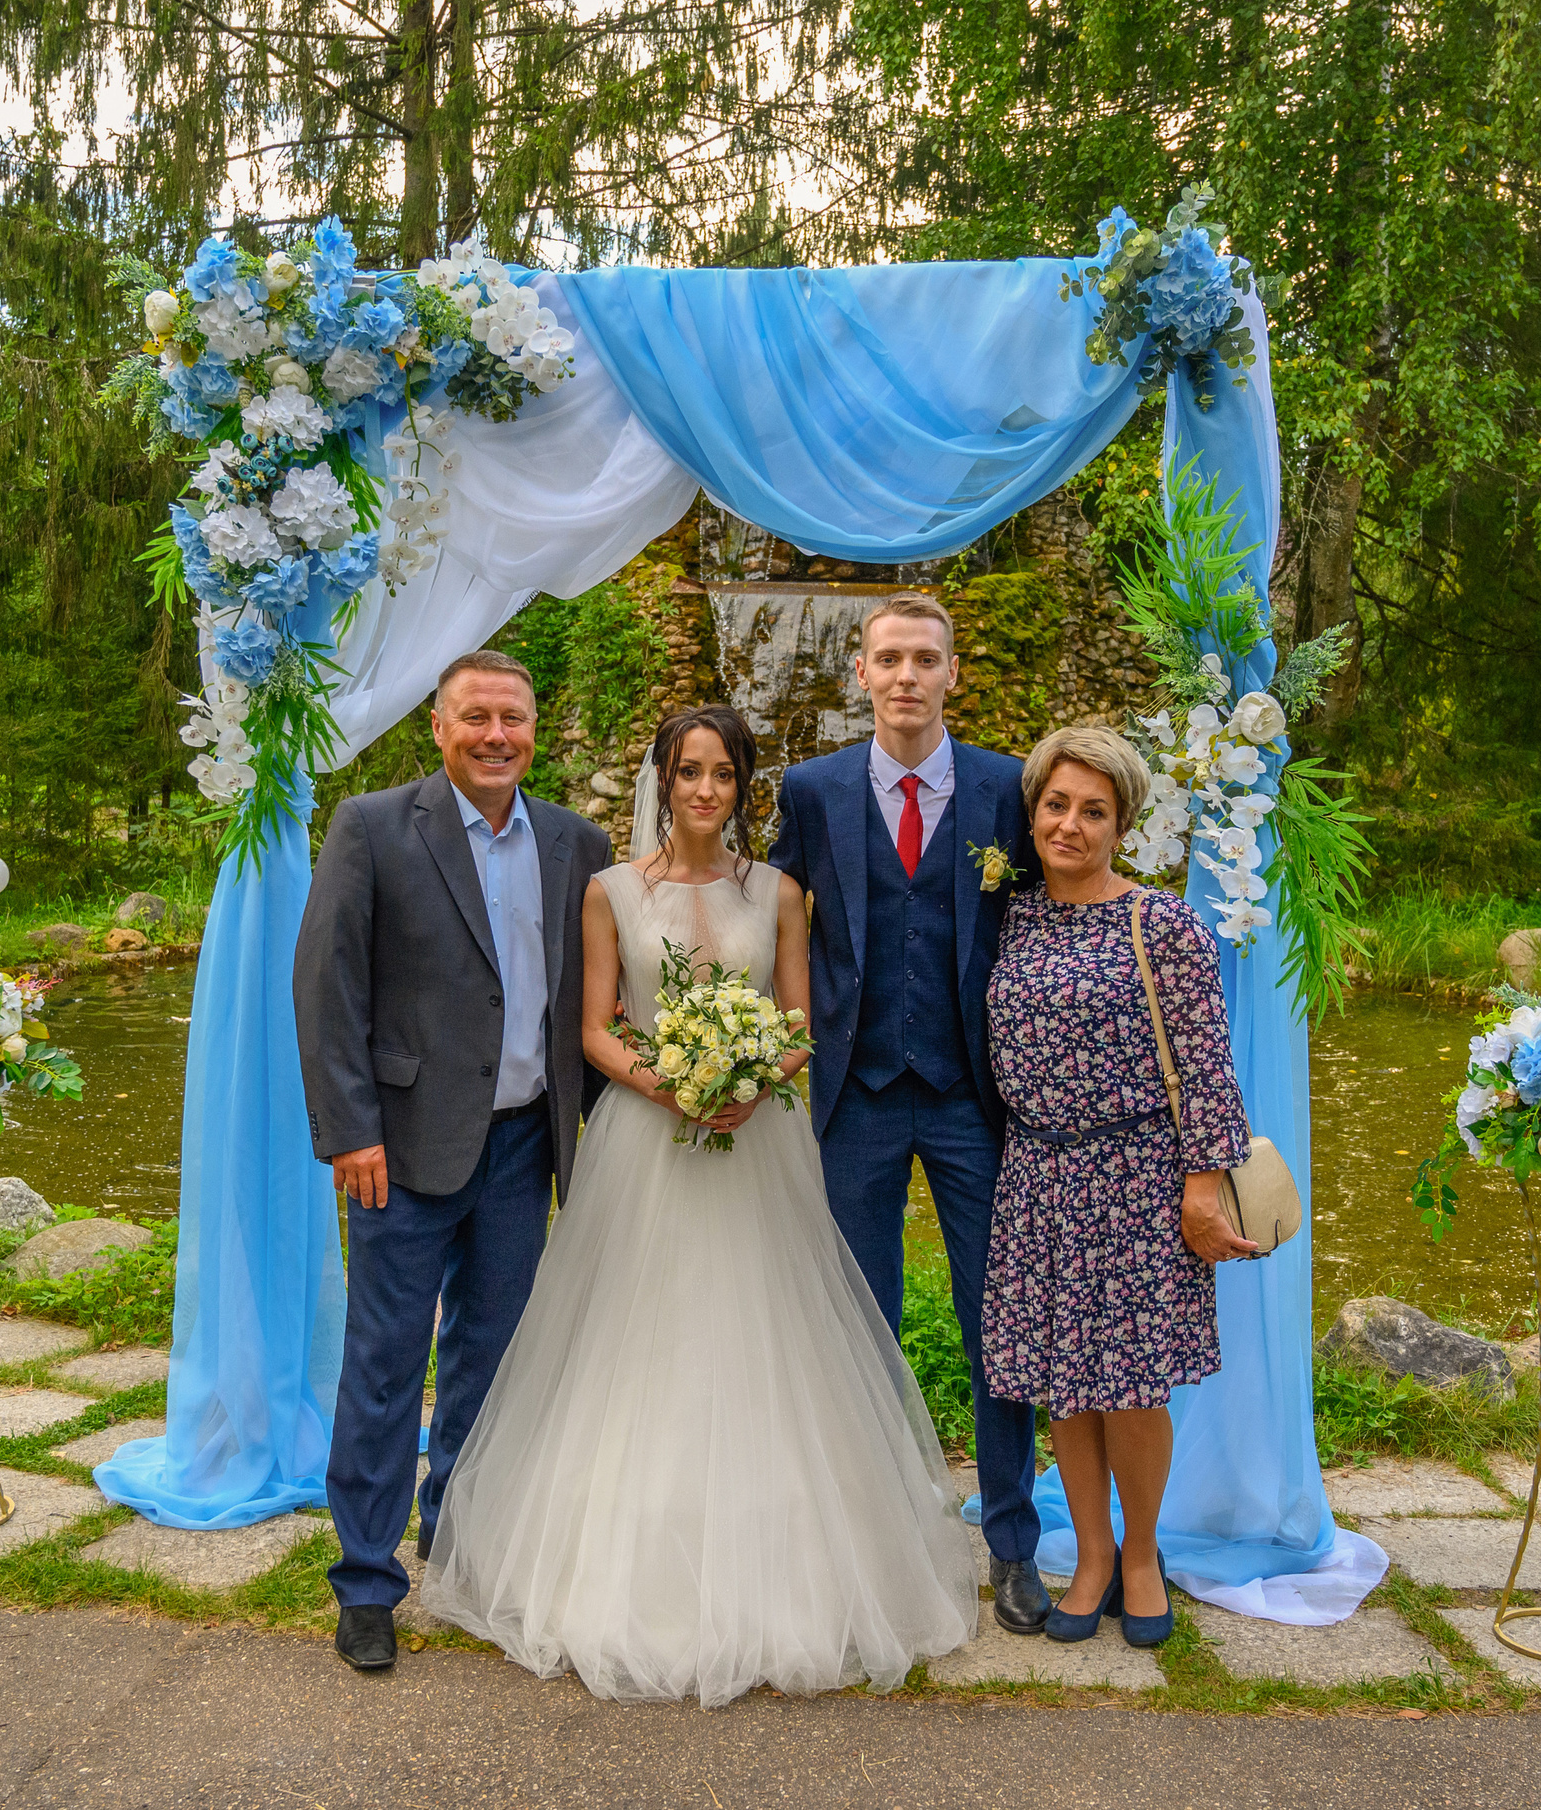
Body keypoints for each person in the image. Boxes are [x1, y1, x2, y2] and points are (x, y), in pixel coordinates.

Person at [423, 705, 976, 1706]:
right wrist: (675, 1084)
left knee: (766, 1335)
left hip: (759, 1143)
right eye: (689, 773)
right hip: (650, 1143)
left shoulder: (780, 893)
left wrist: (754, 1078)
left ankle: (794, 1564)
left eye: (724, 774)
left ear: (743, 787)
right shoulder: (609, 892)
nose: (706, 791)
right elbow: (596, 1028)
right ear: (663, 781)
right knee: (639, 1337)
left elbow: (801, 1020)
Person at [292, 649, 614, 1675]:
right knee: (385, 1365)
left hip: (524, 1144)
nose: (494, 735)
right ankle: (365, 1580)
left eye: (511, 717)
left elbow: (593, 998)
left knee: (492, 1358)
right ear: (438, 727)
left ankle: (460, 1539)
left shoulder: (576, 843)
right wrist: (350, 1130)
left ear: (534, 730)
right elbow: (328, 984)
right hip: (400, 1146)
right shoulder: (372, 826)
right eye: (475, 716)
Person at [764, 592, 1054, 1635]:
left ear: (951, 673)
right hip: (858, 1096)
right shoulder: (812, 789)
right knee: (858, 1324)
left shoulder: (1006, 787)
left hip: (978, 1099)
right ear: (860, 672)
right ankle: (871, 1542)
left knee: (999, 1323)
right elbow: (771, 916)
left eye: (924, 659)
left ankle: (1011, 1543)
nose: (905, 676)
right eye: (888, 658)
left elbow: (1049, 909)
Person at [981, 724, 1254, 1650]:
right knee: (1065, 1382)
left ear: (1122, 825)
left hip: (1135, 1180)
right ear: (1032, 813)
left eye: (1093, 811)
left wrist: (1202, 1188)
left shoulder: (1161, 924)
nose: (1070, 824)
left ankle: (1141, 1554)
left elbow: (1208, 1066)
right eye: (1056, 805)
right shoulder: (1011, 917)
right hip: (1037, 1177)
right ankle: (1090, 1554)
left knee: (1132, 1385)